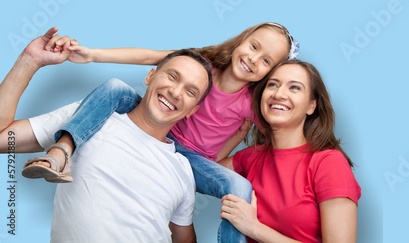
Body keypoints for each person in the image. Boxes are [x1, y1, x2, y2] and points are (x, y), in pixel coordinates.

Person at [23, 22, 299, 243]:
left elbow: (281, 133)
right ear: (242, 39)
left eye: (265, 61)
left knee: (240, 186)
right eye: (253, 47)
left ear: (268, 75)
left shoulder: (251, 103)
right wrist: (94, 54)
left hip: (191, 160)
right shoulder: (202, 63)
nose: (253, 59)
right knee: (116, 87)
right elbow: (148, 56)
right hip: (156, 125)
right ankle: (62, 152)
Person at [0, 27, 213, 242]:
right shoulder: (88, 117)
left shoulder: (183, 169)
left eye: (190, 91)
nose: (175, 93)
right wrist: (29, 60)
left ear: (192, 110)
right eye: (172, 76)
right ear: (151, 76)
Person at [218, 60, 361, 242]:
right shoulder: (252, 156)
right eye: (272, 85)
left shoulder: (328, 162)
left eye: (294, 88)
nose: (279, 94)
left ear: (311, 106)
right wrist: (237, 136)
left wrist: (254, 228)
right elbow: (205, 171)